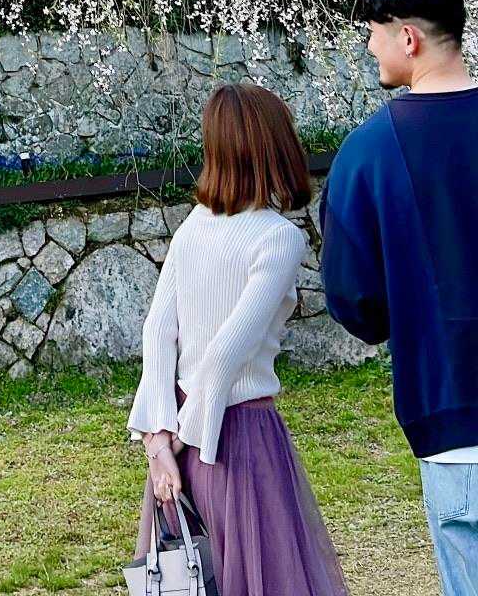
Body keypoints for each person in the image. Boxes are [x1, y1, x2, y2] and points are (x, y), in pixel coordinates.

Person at [128, 81, 349, 595]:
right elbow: (225, 353)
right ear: (274, 145)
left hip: (183, 440)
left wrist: (159, 440)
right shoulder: (278, 237)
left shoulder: (194, 225)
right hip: (240, 438)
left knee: (195, 576)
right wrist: (177, 437)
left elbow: (158, 331)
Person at [320, 0, 478, 596]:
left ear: (407, 37)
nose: (368, 46)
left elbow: (354, 298)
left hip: (450, 414)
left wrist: (408, 314)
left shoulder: (370, 151)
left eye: (372, 31)